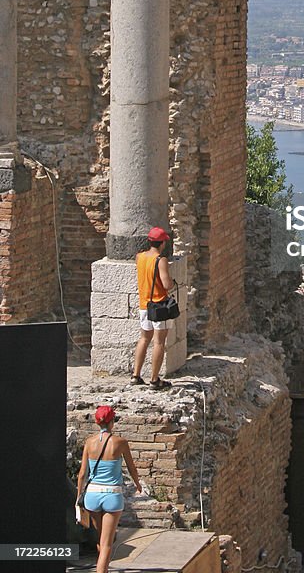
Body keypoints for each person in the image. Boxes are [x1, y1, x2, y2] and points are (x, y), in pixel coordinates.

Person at [77, 405, 141, 573]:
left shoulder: (89, 442)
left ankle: (102, 568)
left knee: (101, 540)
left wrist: (78, 497)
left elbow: (82, 473)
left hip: (92, 495)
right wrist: (138, 483)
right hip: (111, 494)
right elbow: (131, 467)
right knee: (107, 544)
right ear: (112, 421)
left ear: (97, 422)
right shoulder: (120, 442)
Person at [131, 226, 175, 390]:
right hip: (159, 305)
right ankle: (155, 379)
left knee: (144, 338)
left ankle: (136, 375)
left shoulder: (139, 257)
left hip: (144, 304)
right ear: (162, 243)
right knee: (159, 342)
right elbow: (166, 284)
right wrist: (171, 281)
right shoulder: (160, 260)